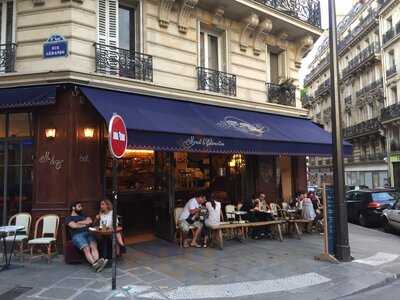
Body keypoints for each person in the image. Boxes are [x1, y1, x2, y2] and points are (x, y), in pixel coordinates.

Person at [65, 202, 108, 272]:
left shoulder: (84, 215)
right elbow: (74, 226)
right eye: (79, 206)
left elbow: (90, 221)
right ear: (73, 208)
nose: (81, 208)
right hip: (77, 235)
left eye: (81, 206)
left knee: (94, 245)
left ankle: (97, 264)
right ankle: (95, 264)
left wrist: (78, 222)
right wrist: (84, 223)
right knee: (86, 248)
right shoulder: (68, 218)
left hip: (88, 233)